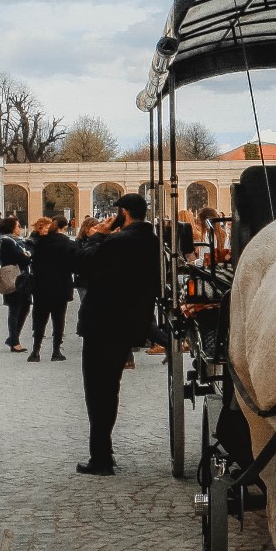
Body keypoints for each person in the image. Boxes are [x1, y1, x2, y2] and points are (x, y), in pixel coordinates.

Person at [71, 194, 158, 475]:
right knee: (110, 389)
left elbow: (82, 265)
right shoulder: (151, 240)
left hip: (103, 323)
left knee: (98, 392)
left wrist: (96, 236)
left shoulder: (117, 241)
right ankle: (102, 452)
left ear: (123, 212)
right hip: (129, 324)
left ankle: (101, 457)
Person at [25, 215, 76, 362]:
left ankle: (35, 351)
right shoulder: (68, 244)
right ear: (64, 227)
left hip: (41, 286)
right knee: (58, 319)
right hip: (61, 286)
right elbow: (74, 264)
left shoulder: (39, 242)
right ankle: (56, 351)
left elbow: (32, 260)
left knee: (39, 318)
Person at [0, 217, 33, 353]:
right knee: (15, 310)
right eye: (17, 226)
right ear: (10, 228)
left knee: (25, 307)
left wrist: (27, 255)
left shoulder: (19, 241)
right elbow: (23, 258)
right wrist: (26, 255)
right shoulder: (7, 242)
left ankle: (13, 338)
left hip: (23, 279)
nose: (19, 228)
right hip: (13, 279)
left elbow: (29, 253)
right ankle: (14, 341)